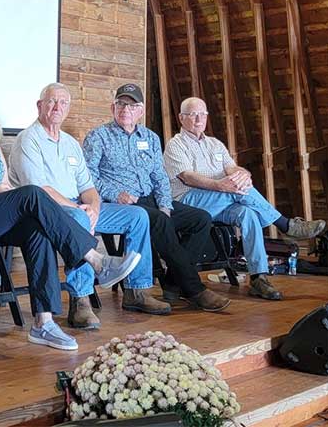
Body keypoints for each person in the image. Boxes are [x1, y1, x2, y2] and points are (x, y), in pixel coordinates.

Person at [0, 74, 140, 351]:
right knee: (33, 193)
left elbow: (3, 182)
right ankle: (96, 259)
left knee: (37, 230)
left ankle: (43, 323)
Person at [8, 83, 170, 330]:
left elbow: (88, 186)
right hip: (45, 209)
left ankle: (136, 291)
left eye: (63, 103)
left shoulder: (71, 143)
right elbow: (38, 188)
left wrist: (93, 206)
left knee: (137, 216)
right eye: (51, 101)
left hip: (78, 205)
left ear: (68, 108)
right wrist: (81, 210)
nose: (57, 107)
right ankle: (80, 300)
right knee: (80, 219)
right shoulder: (28, 139)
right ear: (40, 106)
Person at [82, 83, 231, 312]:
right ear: (113, 107)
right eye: (121, 104)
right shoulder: (98, 136)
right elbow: (88, 178)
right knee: (160, 222)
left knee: (201, 218)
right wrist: (115, 194)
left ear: (140, 111)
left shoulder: (150, 137)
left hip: (152, 198)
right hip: (123, 204)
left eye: (132, 106)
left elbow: (160, 176)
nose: (126, 110)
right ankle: (194, 289)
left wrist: (165, 204)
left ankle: (172, 281)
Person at [164, 96, 326, 300]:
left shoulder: (215, 144)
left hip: (221, 200)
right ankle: (286, 225)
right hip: (188, 202)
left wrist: (243, 175)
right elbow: (187, 176)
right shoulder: (175, 145)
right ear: (181, 118)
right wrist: (221, 185)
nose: (199, 119)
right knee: (237, 191)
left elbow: (232, 168)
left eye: (202, 114)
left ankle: (259, 277)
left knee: (248, 213)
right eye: (193, 114)